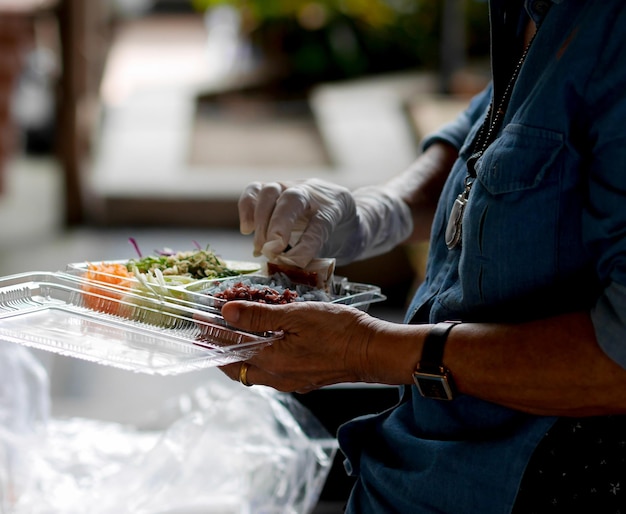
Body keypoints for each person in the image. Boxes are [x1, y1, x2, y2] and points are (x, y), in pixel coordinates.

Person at [219, 0, 626, 512]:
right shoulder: (526, 11)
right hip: (414, 461)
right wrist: (377, 209)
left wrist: (366, 350)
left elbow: (618, 361)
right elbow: (490, 129)